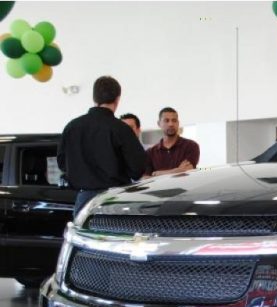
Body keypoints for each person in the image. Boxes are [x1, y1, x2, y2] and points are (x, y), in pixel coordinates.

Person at [57, 76, 148, 218]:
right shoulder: (121, 129)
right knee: (113, 239)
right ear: (118, 99)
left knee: (84, 239)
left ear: (94, 98)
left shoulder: (72, 127)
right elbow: (138, 169)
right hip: (115, 199)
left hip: (84, 199)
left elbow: (62, 163)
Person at [145, 107, 200, 176]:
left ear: (178, 123)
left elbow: (187, 170)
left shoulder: (191, 146)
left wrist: (157, 173)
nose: (171, 124)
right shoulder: (150, 153)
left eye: (174, 120)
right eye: (166, 120)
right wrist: (178, 170)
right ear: (159, 123)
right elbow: (146, 178)